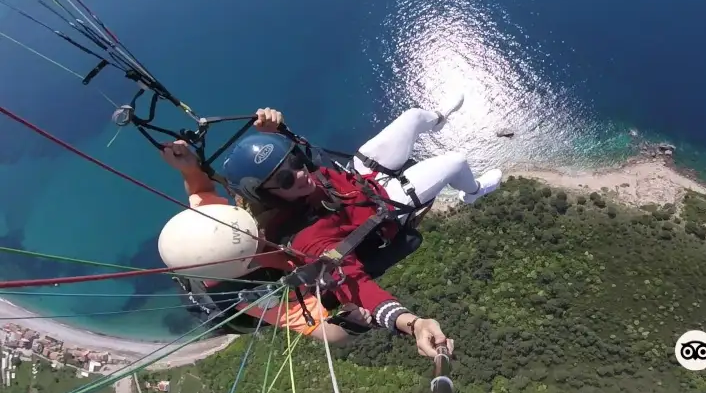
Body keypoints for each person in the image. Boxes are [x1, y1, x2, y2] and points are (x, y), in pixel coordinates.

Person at [157, 93, 503, 357]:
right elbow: (354, 288)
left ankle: (438, 118)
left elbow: (202, 192)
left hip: (353, 181)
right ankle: (473, 192)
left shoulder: (206, 230)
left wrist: (191, 165)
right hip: (382, 205)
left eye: (294, 163)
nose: (300, 173)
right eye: (289, 178)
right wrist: (409, 324)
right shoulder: (294, 258)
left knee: (413, 117)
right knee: (455, 162)